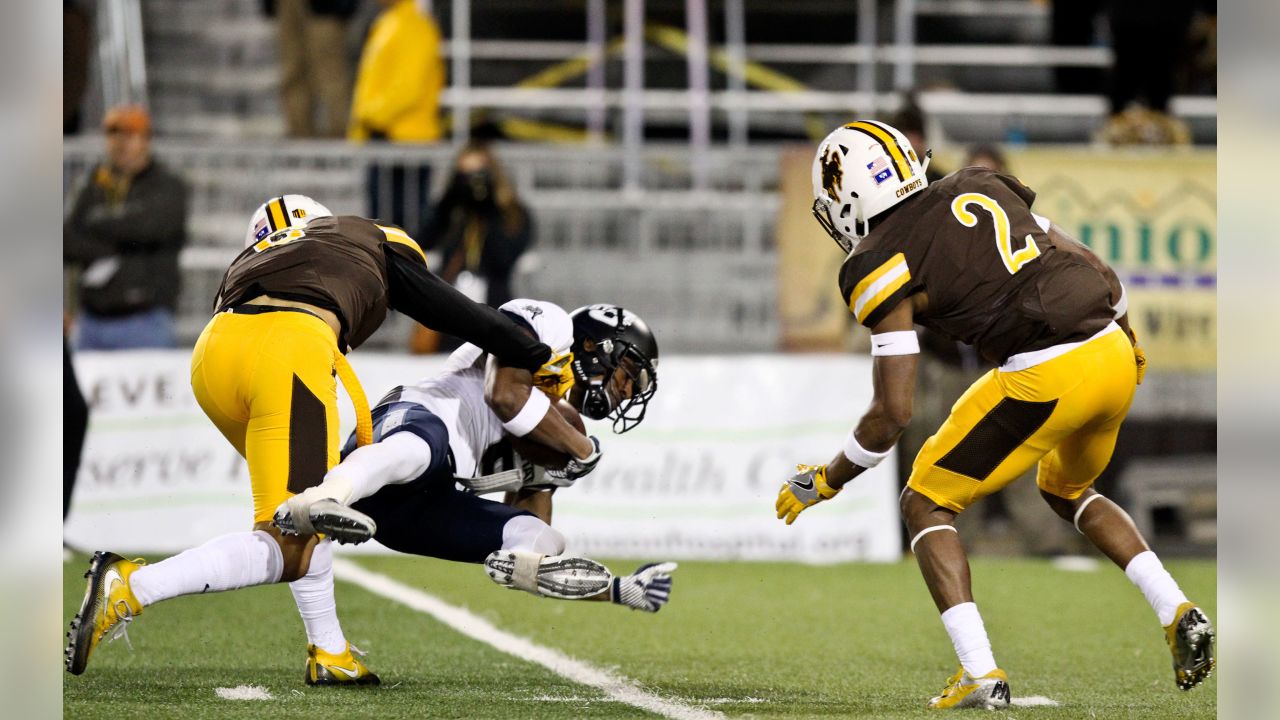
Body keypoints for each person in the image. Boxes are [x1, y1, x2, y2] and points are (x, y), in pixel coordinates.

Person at [777, 120, 1214, 709]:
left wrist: (830, 478)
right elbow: (1096, 268)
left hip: (1046, 368)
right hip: (1112, 346)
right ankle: (1177, 609)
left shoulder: (875, 262)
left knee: (924, 501)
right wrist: (1127, 335)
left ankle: (980, 671)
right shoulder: (976, 181)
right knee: (1067, 488)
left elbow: (892, 412)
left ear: (846, 197)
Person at [66, 195, 573, 686]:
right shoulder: (366, 236)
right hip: (288, 349)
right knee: (294, 535)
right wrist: (526, 348)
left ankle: (330, 651)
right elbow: (447, 308)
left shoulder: (263, 256)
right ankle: (133, 586)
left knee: (299, 519)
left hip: (211, 355)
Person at [274, 301, 673, 629]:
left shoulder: (564, 428)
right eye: (628, 375)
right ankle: (322, 498)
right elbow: (504, 395)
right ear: (594, 346)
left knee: (542, 538)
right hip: (415, 422)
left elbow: (527, 514)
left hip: (420, 504)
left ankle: (334, 499)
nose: (625, 392)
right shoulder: (551, 329)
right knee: (421, 449)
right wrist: (582, 450)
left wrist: (619, 590)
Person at [64, 105, 189, 350]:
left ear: (145, 141)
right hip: (91, 322)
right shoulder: (93, 184)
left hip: (145, 323)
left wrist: (95, 221)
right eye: (113, 135)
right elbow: (65, 239)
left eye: (130, 135)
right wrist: (114, 250)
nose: (120, 143)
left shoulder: (167, 185)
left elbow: (150, 226)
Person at [410, 142, 534, 353]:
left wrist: (488, 210)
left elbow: (503, 260)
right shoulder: (452, 211)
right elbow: (419, 242)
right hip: (450, 307)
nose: (473, 183)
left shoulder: (513, 213)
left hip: (495, 304)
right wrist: (449, 202)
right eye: (464, 175)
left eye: (479, 175)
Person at [349, 0, 445, 237]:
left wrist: (369, 114)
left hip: (406, 141)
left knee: (403, 232)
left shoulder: (415, 26)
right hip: (388, 137)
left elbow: (408, 89)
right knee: (382, 231)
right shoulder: (391, 22)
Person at [262, 0, 356, 138]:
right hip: (286, 5)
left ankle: (340, 135)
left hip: (325, 9)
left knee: (331, 74)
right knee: (292, 71)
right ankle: (299, 135)